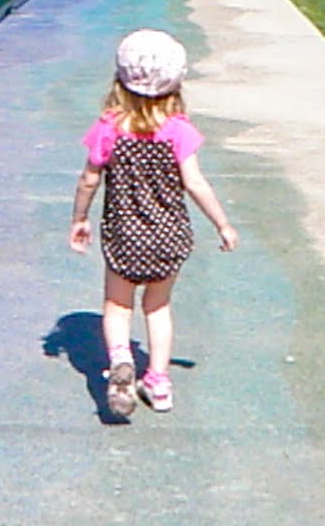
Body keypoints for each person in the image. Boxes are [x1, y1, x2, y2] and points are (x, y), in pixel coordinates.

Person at [68, 29, 239, 417]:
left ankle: (120, 359)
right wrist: (223, 224)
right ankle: (159, 383)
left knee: (117, 304)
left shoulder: (110, 127)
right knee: (157, 307)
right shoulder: (179, 131)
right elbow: (195, 183)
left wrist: (80, 218)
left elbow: (89, 179)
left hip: (124, 235)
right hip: (168, 236)